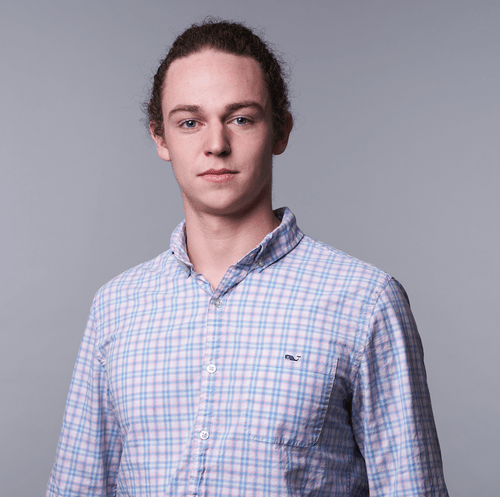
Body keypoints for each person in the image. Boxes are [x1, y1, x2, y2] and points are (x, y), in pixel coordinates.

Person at [46, 19, 449, 497]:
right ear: (160, 138)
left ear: (280, 131)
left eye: (240, 118)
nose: (216, 145)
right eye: (189, 122)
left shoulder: (365, 301)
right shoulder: (116, 307)